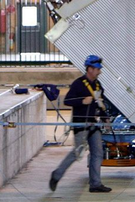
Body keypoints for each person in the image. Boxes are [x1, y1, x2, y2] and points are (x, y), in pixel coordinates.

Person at [49, 55, 111, 193]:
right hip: (81, 124)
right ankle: (56, 175)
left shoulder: (97, 85)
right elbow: (68, 101)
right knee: (77, 153)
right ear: (89, 69)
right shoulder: (78, 84)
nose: (99, 72)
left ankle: (95, 184)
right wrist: (82, 101)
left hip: (93, 124)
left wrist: (105, 118)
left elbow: (99, 103)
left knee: (98, 153)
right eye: (97, 69)